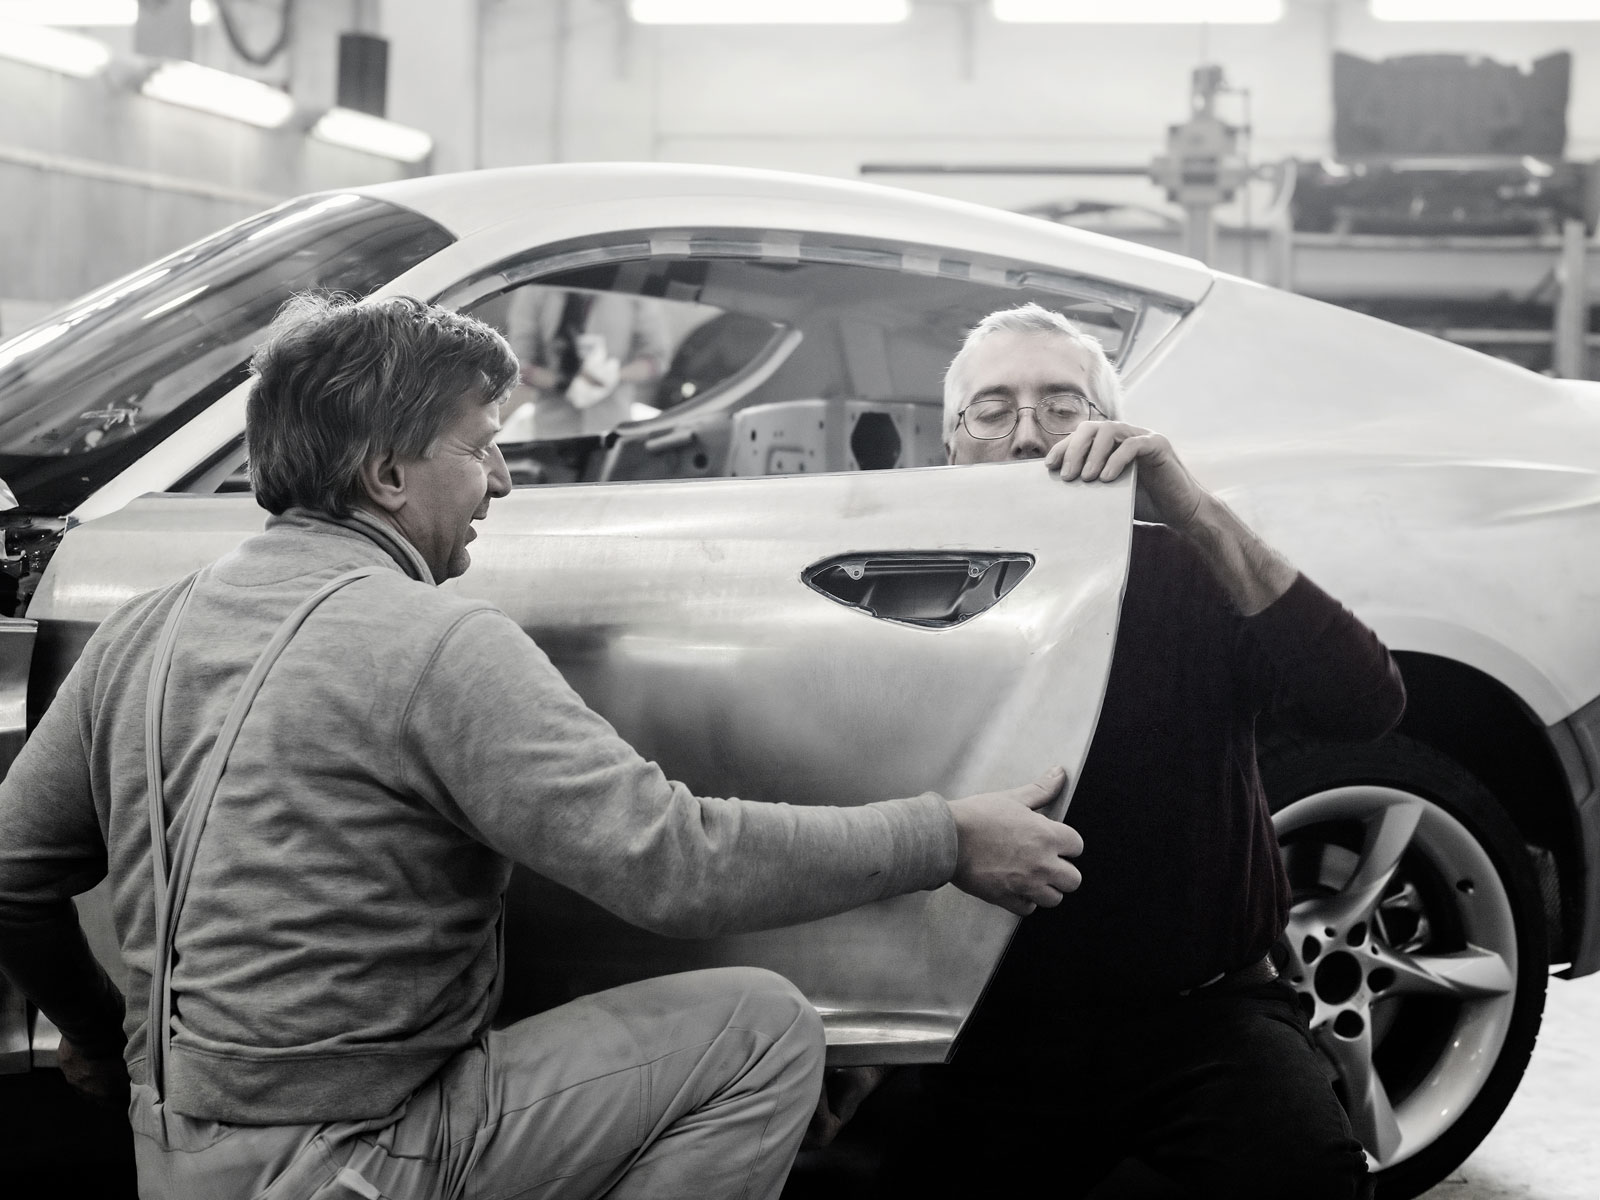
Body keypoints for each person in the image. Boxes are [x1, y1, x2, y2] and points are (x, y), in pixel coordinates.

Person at [0, 295, 1087, 1200]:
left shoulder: (146, 626)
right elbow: (677, 867)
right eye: (481, 451)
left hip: (173, 1155)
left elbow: (13, 877)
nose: (506, 484)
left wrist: (99, 1037)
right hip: (356, 1165)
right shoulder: (435, 644)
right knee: (761, 1033)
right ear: (387, 477)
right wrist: (945, 836)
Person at [838, 303, 1404, 1199]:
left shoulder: (1189, 571)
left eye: (1063, 407)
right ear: (949, 444)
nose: (1028, 435)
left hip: (1203, 1016)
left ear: (1114, 432)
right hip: (982, 1026)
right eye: (992, 409)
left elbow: (1363, 703)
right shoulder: (892, 600)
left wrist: (1189, 507)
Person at [502, 286, 670, 439]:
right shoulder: (537, 288)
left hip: (613, 429)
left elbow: (657, 358)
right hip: (553, 431)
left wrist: (614, 375)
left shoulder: (632, 287)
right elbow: (517, 363)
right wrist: (563, 383)